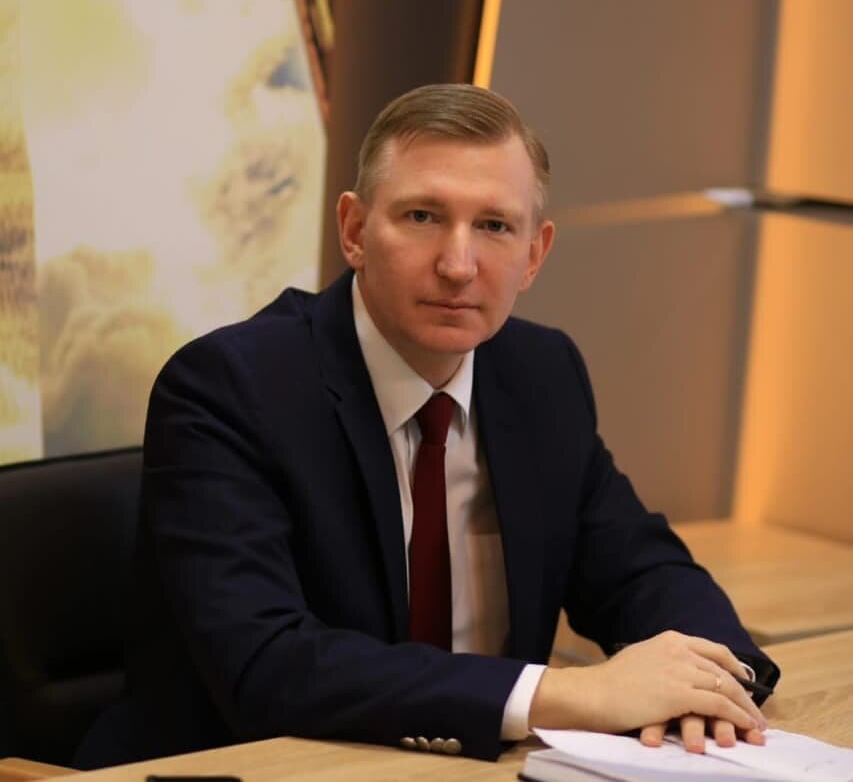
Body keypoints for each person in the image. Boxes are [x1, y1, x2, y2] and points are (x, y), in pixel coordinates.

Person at [76, 84, 779, 768]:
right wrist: (567, 695)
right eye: (422, 217)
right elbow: (269, 664)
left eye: (494, 226)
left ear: (534, 255)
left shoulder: (541, 374)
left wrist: (715, 682)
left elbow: (641, 570)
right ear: (354, 230)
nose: (457, 265)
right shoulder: (229, 389)